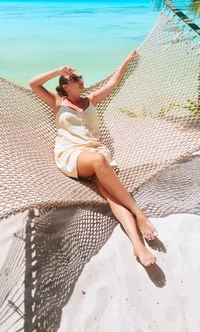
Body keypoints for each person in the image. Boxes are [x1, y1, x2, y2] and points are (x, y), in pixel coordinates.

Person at [28, 50, 158, 267]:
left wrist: (125, 60)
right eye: (73, 79)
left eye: (79, 78)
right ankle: (139, 213)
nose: (79, 81)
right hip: (73, 155)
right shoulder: (57, 102)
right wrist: (59, 71)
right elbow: (33, 84)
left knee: (111, 196)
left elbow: (114, 83)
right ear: (65, 87)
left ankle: (137, 244)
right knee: (98, 160)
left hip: (98, 154)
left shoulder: (92, 99)